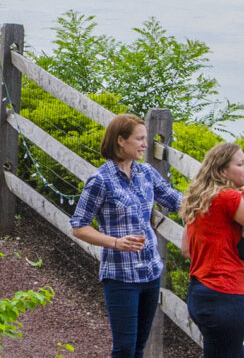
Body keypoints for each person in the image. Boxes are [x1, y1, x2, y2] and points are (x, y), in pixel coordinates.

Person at [70, 113, 183, 358]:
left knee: (139, 348)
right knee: (124, 349)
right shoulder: (100, 181)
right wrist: (115, 242)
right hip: (120, 276)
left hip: (151, 272)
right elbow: (78, 226)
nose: (145, 144)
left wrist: (220, 197)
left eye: (146, 138)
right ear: (121, 140)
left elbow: (176, 202)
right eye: (140, 139)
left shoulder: (146, 173)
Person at [179, 141, 244, 358]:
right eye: (241, 164)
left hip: (200, 294)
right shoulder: (229, 198)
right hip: (226, 294)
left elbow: (186, 249)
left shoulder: (200, 198)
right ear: (223, 170)